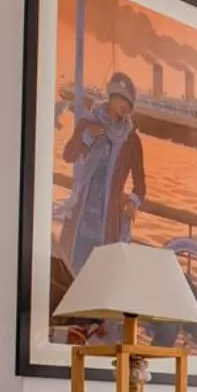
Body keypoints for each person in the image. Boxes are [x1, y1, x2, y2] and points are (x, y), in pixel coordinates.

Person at [58, 71, 148, 275]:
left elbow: (140, 184)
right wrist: (87, 137)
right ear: (111, 96)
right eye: (122, 99)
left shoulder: (131, 140)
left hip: (108, 222)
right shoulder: (88, 124)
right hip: (81, 215)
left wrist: (132, 202)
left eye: (129, 103)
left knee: (99, 277)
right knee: (72, 272)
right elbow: (69, 155)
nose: (125, 106)